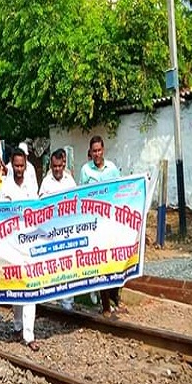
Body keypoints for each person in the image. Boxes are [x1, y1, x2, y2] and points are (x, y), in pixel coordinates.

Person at [79, 135, 122, 316]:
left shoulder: (112, 169)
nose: (97, 154)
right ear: (90, 152)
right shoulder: (85, 170)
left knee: (115, 260)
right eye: (94, 151)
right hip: (94, 224)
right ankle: (104, 305)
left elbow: (120, 191)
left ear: (103, 150)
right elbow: (81, 194)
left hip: (110, 221)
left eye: (99, 150)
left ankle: (115, 299)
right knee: (100, 262)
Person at [3, 149, 40, 351]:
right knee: (17, 284)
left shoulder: (31, 184)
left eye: (22, 166)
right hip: (12, 242)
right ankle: (17, 325)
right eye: (16, 165)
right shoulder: (6, 186)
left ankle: (29, 334)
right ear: (11, 164)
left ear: (25, 165)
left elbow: (36, 209)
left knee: (30, 286)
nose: (19, 169)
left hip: (30, 241)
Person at [40, 149, 78, 309]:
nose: (57, 169)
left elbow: (77, 202)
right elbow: (41, 206)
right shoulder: (46, 183)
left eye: (59, 166)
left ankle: (68, 303)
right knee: (53, 266)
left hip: (67, 231)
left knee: (69, 265)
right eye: (54, 166)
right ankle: (52, 298)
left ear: (63, 164)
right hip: (51, 233)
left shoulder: (70, 181)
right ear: (51, 165)